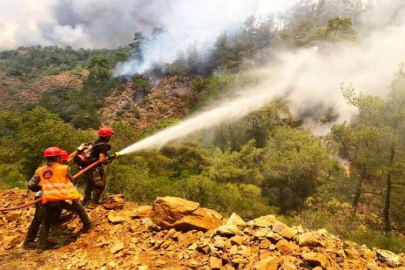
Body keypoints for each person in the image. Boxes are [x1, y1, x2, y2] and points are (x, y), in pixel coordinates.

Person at [28, 147, 94, 253]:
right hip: (61, 198)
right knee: (80, 209)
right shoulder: (64, 168)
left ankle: (40, 246)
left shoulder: (40, 170)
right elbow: (71, 182)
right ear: (58, 157)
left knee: (46, 222)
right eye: (60, 156)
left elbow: (31, 185)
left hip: (48, 200)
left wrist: (43, 187)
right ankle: (88, 226)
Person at [22, 149, 71, 250]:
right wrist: (43, 187)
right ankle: (29, 242)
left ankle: (43, 238)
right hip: (43, 197)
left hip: (53, 197)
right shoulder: (53, 170)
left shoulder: (48, 169)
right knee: (39, 219)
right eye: (62, 159)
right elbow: (31, 185)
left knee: (51, 214)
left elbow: (31, 184)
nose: (64, 161)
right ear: (58, 158)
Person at [69, 127, 115, 209]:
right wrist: (108, 160)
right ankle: (93, 203)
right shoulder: (104, 145)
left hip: (85, 168)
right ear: (107, 137)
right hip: (95, 169)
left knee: (89, 184)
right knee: (100, 185)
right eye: (110, 136)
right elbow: (101, 159)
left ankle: (85, 201)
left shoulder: (92, 143)